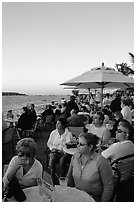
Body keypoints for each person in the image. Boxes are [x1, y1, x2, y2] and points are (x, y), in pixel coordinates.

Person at [67, 133, 113, 202]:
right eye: (78, 143)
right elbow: (69, 177)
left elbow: (108, 186)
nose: (78, 146)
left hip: (94, 198)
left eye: (81, 144)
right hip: (77, 195)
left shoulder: (101, 162)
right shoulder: (75, 157)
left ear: (90, 147)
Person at [47, 118, 74, 185]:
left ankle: (62, 178)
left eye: (58, 123)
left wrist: (63, 150)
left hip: (65, 153)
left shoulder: (68, 134)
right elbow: (49, 143)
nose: (56, 125)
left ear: (63, 125)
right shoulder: (53, 133)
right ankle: (52, 177)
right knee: (52, 159)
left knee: (62, 160)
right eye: (57, 123)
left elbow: (69, 145)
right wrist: (52, 148)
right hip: (55, 152)